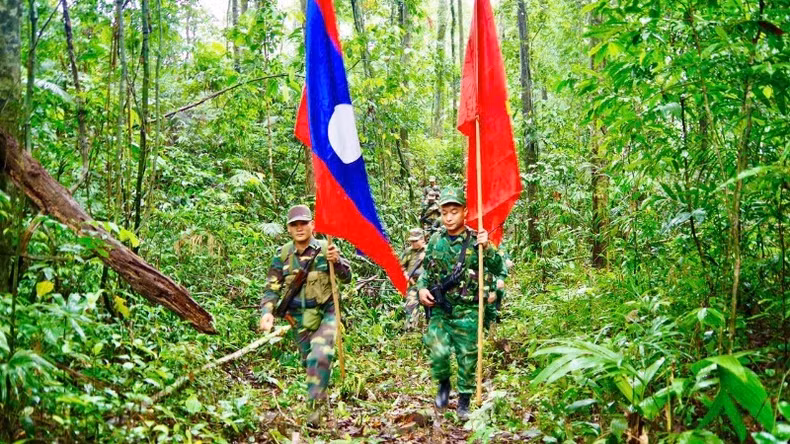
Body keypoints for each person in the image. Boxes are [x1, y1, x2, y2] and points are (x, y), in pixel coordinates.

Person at [258, 205, 351, 426]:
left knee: (319, 356)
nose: (299, 228)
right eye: (294, 224)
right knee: (308, 362)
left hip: (326, 312)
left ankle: (315, 415)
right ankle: (321, 400)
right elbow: (272, 288)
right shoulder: (282, 255)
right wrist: (267, 312)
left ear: (312, 225)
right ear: (289, 229)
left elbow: (346, 277)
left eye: (303, 223)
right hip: (297, 318)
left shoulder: (326, 248)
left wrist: (336, 261)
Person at [417, 187, 504, 419]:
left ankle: (464, 400)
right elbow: (426, 271)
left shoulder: (477, 241)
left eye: (454, 211)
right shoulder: (435, 240)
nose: (448, 217)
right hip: (440, 308)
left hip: (468, 309)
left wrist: (488, 248)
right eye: (444, 212)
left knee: (467, 355)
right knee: (436, 348)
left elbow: (498, 269)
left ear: (464, 212)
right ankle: (444, 385)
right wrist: (422, 289)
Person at [401, 228, 426, 330]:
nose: (413, 243)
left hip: (427, 285)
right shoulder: (408, 252)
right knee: (410, 306)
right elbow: (400, 266)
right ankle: (410, 329)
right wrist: (405, 274)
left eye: (416, 241)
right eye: (412, 241)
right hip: (413, 284)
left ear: (422, 239)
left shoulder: (429, 250)